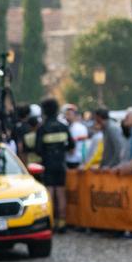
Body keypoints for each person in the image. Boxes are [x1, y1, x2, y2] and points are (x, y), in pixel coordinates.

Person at [34, 98, 74, 233]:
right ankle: (62, 222)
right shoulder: (64, 127)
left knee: (50, 193)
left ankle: (50, 221)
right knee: (61, 193)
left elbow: (38, 149)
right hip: (61, 164)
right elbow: (71, 145)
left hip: (48, 164)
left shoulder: (43, 128)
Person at [63, 104, 88, 170]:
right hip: (67, 159)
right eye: (66, 114)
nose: (67, 116)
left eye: (69, 114)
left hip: (77, 160)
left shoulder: (80, 128)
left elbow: (83, 141)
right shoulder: (65, 127)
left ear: (75, 115)